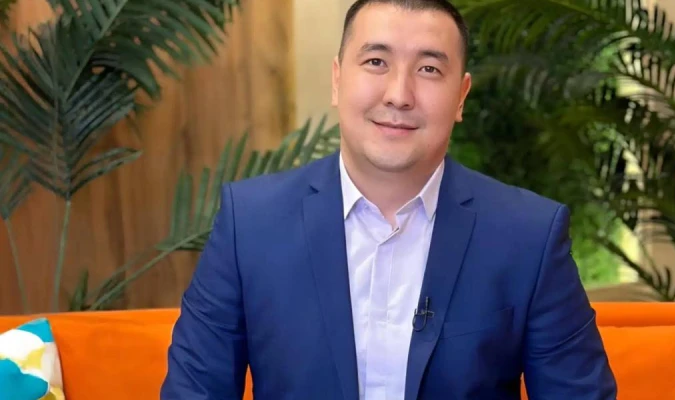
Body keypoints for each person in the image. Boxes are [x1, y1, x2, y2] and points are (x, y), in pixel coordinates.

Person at [160, 0, 618, 398]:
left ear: (461, 96)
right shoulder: (249, 225)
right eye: (376, 61)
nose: (399, 95)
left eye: (429, 69)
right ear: (337, 79)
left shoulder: (530, 236)